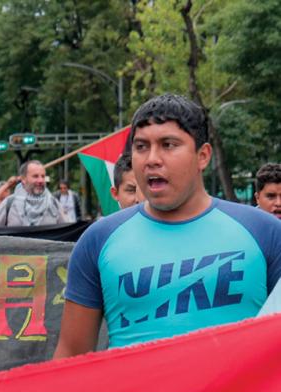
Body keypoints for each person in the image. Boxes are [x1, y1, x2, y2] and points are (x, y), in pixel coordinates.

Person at [54, 94, 281, 358]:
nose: (152, 159)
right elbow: (70, 355)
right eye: (140, 147)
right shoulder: (97, 240)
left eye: (168, 145)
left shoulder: (265, 232)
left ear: (203, 156)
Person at [0, 161, 69, 227]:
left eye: (43, 176)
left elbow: (67, 231)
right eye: (35, 176)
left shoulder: (54, 203)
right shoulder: (9, 203)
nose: (41, 180)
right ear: (23, 179)